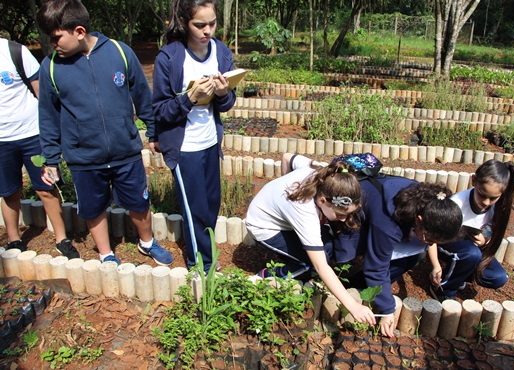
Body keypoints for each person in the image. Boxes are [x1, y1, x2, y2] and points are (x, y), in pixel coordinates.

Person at [36, 0, 173, 266]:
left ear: (78, 31)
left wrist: (154, 132)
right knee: (93, 207)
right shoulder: (51, 67)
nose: (53, 44)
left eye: (56, 38)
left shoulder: (120, 53)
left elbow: (142, 96)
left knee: (139, 202)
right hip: (84, 158)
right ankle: (106, 253)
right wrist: (50, 159)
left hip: (125, 151)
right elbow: (48, 117)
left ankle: (147, 243)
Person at [152, 0, 236, 271]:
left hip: (210, 141)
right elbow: (161, 111)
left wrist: (223, 93)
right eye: (199, 24)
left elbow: (226, 103)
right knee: (194, 209)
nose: (207, 30)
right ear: (184, 23)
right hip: (184, 147)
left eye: (212, 23)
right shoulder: (170, 58)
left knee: (211, 204)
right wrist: (189, 98)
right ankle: (200, 264)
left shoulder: (221, 53)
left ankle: (205, 255)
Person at [246, 153, 376, 326]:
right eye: (340, 214)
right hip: (263, 225)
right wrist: (353, 306)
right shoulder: (304, 211)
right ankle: (266, 276)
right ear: (322, 200)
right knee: (310, 265)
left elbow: (287, 158)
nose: (344, 219)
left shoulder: (326, 174)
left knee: (326, 247)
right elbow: (321, 266)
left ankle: (290, 252)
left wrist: (282, 200)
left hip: (282, 217)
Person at [332, 170, 463, 337]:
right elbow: (377, 267)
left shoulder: (426, 200)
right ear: (420, 220)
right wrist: (387, 310)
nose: (430, 244)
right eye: (429, 239)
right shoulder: (387, 224)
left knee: (413, 255)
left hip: (375, 203)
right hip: (347, 210)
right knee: (340, 253)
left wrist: (435, 262)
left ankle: (359, 283)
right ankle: (344, 285)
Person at [0, 35, 79, 259]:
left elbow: (41, 93)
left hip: (32, 133)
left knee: (46, 188)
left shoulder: (15, 52)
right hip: (2, 141)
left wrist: (53, 132)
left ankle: (62, 239)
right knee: (9, 193)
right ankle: (14, 240)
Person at [428, 159, 514, 301]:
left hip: (470, 251)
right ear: (474, 180)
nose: (486, 202)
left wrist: (485, 240)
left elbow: (490, 230)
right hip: (445, 246)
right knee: (472, 254)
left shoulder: (499, 208)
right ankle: (444, 288)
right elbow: (431, 235)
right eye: (482, 194)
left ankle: (459, 275)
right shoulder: (457, 204)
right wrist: (435, 265)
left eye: (493, 198)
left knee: (497, 277)